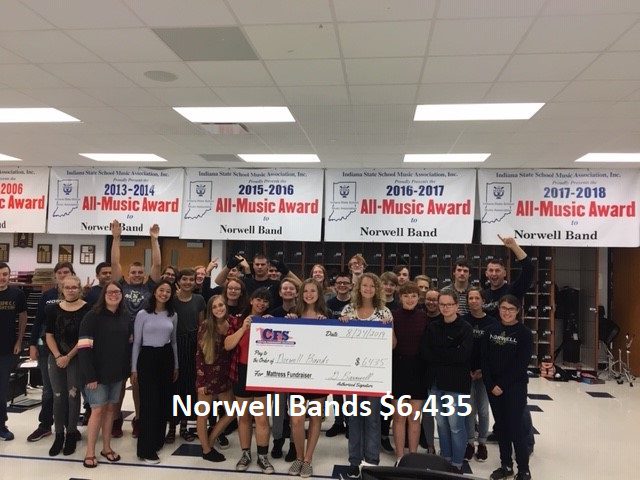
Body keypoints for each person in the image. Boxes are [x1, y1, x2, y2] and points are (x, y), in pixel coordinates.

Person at [482, 235, 535, 452]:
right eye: (490, 270)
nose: (494, 274)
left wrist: (514, 247)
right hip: (494, 353)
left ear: (504, 272)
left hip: (512, 353)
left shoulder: (513, 290)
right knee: (498, 399)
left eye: (498, 270)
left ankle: (526, 442)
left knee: (518, 404)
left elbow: (529, 269)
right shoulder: (484, 294)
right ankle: (501, 430)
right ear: (486, 273)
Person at [110, 219, 162, 438]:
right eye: (134, 272)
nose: (138, 274)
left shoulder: (150, 286)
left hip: (143, 343)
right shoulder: (120, 285)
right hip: (122, 342)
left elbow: (157, 265)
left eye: (141, 272)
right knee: (119, 383)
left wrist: (154, 240)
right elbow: (114, 263)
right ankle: (116, 419)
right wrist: (116, 238)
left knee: (138, 383)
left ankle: (139, 419)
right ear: (128, 274)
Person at [340, 273, 393, 480]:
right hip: (351, 374)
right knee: (353, 419)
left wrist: (388, 327)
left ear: (377, 289)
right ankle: (354, 461)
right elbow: (338, 342)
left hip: (374, 376)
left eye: (372, 286)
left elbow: (392, 345)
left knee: (372, 420)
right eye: (365, 285)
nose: (368, 289)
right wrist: (341, 324)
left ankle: (371, 462)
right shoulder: (348, 310)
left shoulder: (384, 312)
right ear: (358, 288)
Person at [77, 281, 131, 468]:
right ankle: (90, 452)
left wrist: (126, 371)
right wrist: (90, 376)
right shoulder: (92, 316)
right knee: (97, 411)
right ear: (104, 295)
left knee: (110, 410)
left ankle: (106, 448)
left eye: (117, 292)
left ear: (122, 295)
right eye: (110, 292)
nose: (114, 295)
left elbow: (128, 345)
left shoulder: (125, 316)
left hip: (117, 374)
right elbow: (84, 348)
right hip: (96, 375)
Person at [420, 290, 473, 475]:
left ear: (457, 306)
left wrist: (439, 354)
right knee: (441, 424)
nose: (445, 308)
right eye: (442, 304)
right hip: (435, 383)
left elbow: (462, 355)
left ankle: (457, 464)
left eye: (449, 304)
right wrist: (449, 351)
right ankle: (446, 459)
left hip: (456, 385)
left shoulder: (465, 328)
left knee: (456, 426)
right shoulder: (433, 326)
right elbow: (425, 352)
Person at [225, 288, 275, 474]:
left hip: (262, 372)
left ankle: (262, 455)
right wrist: (243, 328)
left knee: (262, 417)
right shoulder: (238, 320)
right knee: (244, 416)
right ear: (251, 300)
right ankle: (245, 453)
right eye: (258, 300)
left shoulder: (270, 320)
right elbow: (228, 344)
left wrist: (274, 325)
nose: (261, 304)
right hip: (242, 370)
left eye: (265, 301)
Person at [483, 295, 533, 480]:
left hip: (514, 386)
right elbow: (484, 359)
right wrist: (490, 384)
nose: (507, 312)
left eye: (511, 309)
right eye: (503, 308)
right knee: (502, 427)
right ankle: (506, 465)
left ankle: (523, 469)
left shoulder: (524, 333)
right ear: (499, 309)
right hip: (493, 387)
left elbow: (521, 363)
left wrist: (502, 385)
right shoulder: (490, 330)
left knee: (515, 428)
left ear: (518, 311)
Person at [285, 279, 330, 478]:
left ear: (319, 294)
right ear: (300, 294)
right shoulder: (293, 314)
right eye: (306, 291)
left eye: (313, 291)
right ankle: (299, 456)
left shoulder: (327, 314)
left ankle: (308, 460)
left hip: (319, 375)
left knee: (315, 418)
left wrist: (327, 324)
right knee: (296, 420)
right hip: (297, 375)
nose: (309, 294)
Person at [131, 280, 178, 464]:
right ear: (155, 292)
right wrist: (134, 368)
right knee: (149, 404)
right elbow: (136, 342)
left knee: (163, 401)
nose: (164, 294)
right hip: (147, 357)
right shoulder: (143, 314)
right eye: (161, 290)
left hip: (166, 357)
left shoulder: (173, 315)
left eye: (168, 291)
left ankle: (158, 440)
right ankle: (146, 450)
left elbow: (173, 341)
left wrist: (176, 365)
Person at [27, 261, 74, 442]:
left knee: (70, 389)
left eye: (66, 272)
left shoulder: (77, 295)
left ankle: (69, 426)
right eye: (59, 272)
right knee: (49, 390)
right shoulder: (47, 296)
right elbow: (38, 321)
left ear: (72, 274)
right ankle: (45, 425)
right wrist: (32, 344)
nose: (63, 275)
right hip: (47, 348)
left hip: (70, 350)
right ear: (55, 276)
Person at [45, 275, 91, 456]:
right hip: (55, 357)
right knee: (58, 396)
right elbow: (49, 335)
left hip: (76, 357)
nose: (71, 290)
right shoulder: (52, 309)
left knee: (73, 395)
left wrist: (68, 356)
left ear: (79, 289)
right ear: (61, 289)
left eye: (74, 287)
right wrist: (58, 355)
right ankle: (59, 434)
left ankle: (71, 433)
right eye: (67, 287)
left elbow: (85, 337)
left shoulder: (87, 309)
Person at [167, 268, 206, 443]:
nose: (188, 282)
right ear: (178, 281)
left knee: (188, 388)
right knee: (174, 387)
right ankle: (171, 427)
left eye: (191, 279)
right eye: (184, 279)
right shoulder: (172, 300)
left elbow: (201, 325)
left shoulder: (199, 300)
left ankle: (184, 425)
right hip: (175, 345)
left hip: (192, 346)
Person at [391, 282, 428, 465]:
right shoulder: (393, 316)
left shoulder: (424, 317)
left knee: (414, 417)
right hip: (398, 369)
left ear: (418, 298)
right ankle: (400, 457)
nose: (410, 299)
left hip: (418, 369)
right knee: (399, 417)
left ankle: (413, 457)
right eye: (406, 296)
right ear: (400, 298)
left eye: (413, 295)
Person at [460, 287, 498, 463]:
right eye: (471, 298)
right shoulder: (463, 320)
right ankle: (469, 443)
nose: (474, 301)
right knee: (469, 409)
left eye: (477, 298)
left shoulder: (492, 322)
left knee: (482, 409)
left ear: (483, 301)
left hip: (485, 373)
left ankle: (482, 442)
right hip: (466, 372)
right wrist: (467, 369)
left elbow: (494, 350)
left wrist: (483, 371)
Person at [196, 295, 234, 463]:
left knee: (232, 412)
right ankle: (206, 450)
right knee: (203, 415)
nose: (219, 309)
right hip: (208, 375)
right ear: (210, 310)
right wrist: (201, 381)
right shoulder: (206, 326)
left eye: (221, 305)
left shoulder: (232, 323)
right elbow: (199, 355)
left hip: (225, 376)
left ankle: (210, 441)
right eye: (215, 307)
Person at [0, 262, 27, 441]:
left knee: (2, 390)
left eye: (5, 274)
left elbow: (23, 317)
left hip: (6, 349)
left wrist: (19, 340)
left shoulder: (17, 294)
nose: (2, 277)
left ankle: (1, 425)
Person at [325, 272, 353, 439]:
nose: (342, 285)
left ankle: (349, 423)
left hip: (350, 350)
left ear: (351, 285)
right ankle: (338, 422)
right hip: (333, 350)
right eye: (339, 282)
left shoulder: (355, 304)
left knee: (348, 391)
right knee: (335, 391)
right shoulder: (329, 303)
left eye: (345, 282)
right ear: (335, 285)